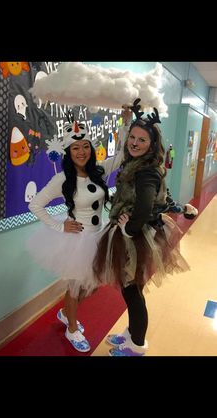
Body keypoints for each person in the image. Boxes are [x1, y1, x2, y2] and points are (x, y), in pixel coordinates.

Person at [93, 98, 198, 356]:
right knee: (133, 288)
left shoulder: (146, 171)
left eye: (142, 140)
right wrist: (177, 206)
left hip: (136, 235)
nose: (135, 143)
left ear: (152, 144)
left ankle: (137, 345)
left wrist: (130, 230)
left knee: (132, 292)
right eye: (133, 138)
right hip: (137, 232)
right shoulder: (140, 164)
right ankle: (131, 333)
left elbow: (144, 206)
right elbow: (163, 196)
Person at [28, 110, 129, 353]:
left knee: (91, 284)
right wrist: (59, 225)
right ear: (68, 152)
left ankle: (64, 312)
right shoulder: (62, 178)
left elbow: (122, 155)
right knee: (75, 287)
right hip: (77, 240)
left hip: (98, 235)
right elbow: (35, 204)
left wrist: (125, 124)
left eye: (85, 146)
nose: (81, 152)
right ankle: (71, 328)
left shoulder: (99, 171)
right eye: (76, 148)